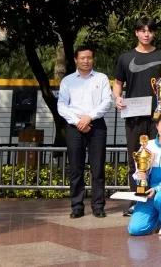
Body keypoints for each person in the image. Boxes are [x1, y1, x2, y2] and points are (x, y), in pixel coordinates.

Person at [113, 18, 161, 216]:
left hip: (158, 118)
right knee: (136, 159)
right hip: (133, 116)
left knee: (158, 159)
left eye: (150, 31)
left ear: (154, 33)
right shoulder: (125, 57)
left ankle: (157, 199)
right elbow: (118, 83)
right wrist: (117, 98)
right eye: (142, 30)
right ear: (136, 33)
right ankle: (136, 199)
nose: (146, 34)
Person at [58, 44, 112, 219]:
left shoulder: (102, 78)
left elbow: (107, 102)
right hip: (74, 127)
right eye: (82, 58)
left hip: (96, 125)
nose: (86, 61)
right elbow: (62, 105)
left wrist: (89, 117)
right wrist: (78, 121)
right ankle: (77, 207)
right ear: (76, 60)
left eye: (89, 57)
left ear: (93, 59)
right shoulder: (67, 81)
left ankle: (98, 206)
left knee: (98, 168)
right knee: (76, 168)